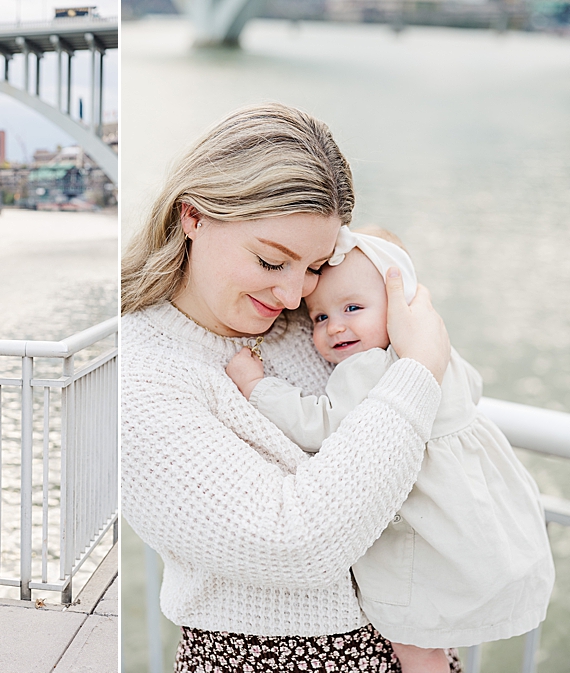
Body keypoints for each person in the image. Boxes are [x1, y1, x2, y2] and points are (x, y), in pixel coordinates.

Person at [121, 103, 458, 672]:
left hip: (414, 641)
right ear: (193, 217)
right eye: (272, 260)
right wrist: (417, 373)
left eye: (315, 265)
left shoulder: (318, 318)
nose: (294, 294)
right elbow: (295, 542)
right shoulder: (138, 374)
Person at [226, 225, 554, 673]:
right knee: (437, 634)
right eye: (319, 318)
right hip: (474, 508)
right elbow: (472, 389)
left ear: (401, 307)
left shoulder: (368, 366)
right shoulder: (438, 348)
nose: (335, 325)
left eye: (353, 308)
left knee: (412, 638)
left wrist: (257, 386)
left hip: (425, 523)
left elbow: (320, 424)